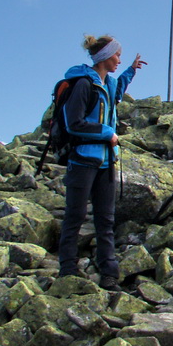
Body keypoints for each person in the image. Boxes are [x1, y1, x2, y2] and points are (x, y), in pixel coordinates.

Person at [57, 34, 147, 290]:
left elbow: (118, 91)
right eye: (117, 55)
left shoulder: (107, 84)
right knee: (75, 215)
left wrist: (131, 70)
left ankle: (109, 274)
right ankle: (68, 270)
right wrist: (108, 133)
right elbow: (74, 123)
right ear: (105, 57)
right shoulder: (83, 84)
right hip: (83, 160)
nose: (119, 59)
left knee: (105, 221)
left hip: (107, 163)